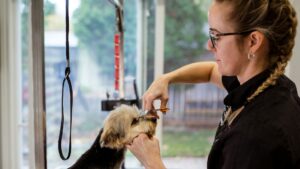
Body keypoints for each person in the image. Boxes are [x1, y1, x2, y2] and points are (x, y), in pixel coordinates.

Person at [126, 0, 300, 168]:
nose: (209, 45)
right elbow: (210, 72)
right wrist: (166, 79)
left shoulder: (254, 139)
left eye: (216, 36)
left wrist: (152, 162)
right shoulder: (271, 85)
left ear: (253, 42)